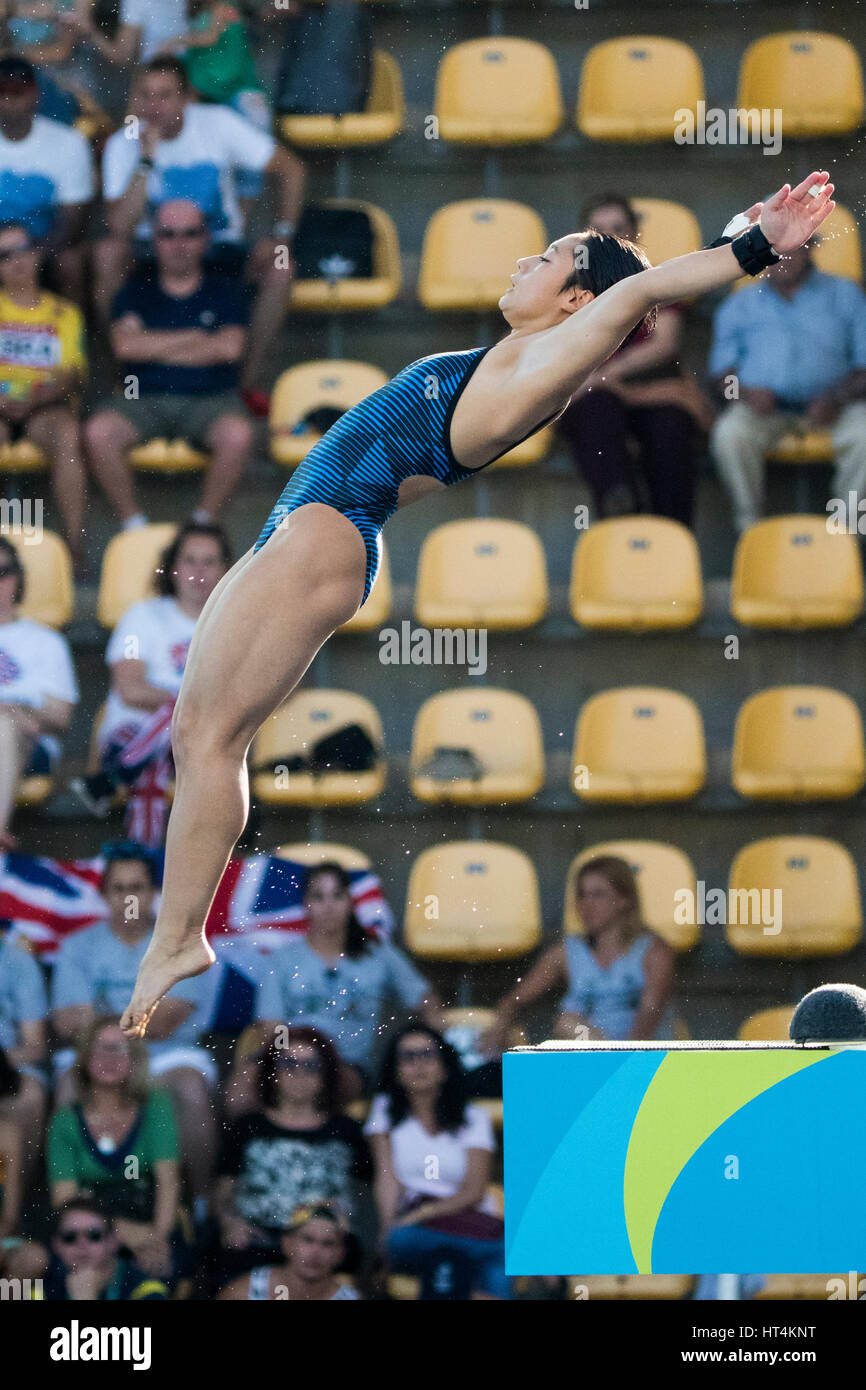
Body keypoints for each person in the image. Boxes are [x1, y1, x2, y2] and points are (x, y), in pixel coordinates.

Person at [119, 170, 837, 1038]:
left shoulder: (561, 352)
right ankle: (177, 931)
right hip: (305, 527)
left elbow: (641, 289)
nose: (525, 260)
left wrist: (755, 249)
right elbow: (638, 285)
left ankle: (179, 936)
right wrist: (738, 233)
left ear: (577, 298)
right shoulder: (532, 350)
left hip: (329, 530)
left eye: (551, 256)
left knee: (212, 738)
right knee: (200, 732)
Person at [95, 55, 305, 409]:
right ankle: (125, 379)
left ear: (186, 98)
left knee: (281, 267)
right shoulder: (124, 142)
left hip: (219, 248)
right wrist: (145, 160)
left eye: (164, 95)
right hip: (152, 252)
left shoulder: (217, 123)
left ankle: (244, 383)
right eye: (145, 95)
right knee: (106, 253)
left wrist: (282, 235)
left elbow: (291, 168)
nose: (153, 105)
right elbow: (119, 227)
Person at [51, 845, 222, 1212]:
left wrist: (99, 1019)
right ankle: (73, 1207)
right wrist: (128, 1021)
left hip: (167, 1056)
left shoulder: (180, 943)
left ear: (154, 892)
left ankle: (204, 1202)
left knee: (191, 1090)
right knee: (67, 1084)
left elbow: (165, 1022)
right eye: (118, 888)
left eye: (138, 887)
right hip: (96, 1053)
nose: (129, 897)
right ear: (104, 893)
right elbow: (66, 1022)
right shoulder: (78, 947)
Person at [85, 199, 254, 530]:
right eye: (168, 234)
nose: (179, 244)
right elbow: (125, 347)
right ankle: (133, 524)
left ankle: (203, 525)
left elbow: (230, 349)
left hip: (212, 401)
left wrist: (153, 343)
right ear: (154, 240)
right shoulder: (136, 290)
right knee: (97, 431)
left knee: (239, 434)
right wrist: (196, 336)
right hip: (139, 397)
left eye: (190, 234)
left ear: (206, 238)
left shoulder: (226, 290)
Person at [555, 193, 711, 526]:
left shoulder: (656, 280)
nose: (610, 238)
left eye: (619, 228)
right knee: (598, 408)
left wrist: (608, 374)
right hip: (589, 395)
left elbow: (664, 343)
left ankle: (673, 533)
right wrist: (600, 383)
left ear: (635, 234)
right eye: (599, 230)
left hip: (647, 388)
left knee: (671, 424)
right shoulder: (564, 290)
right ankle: (619, 516)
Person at [70, 522, 233, 837]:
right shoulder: (141, 617)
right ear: (172, 568)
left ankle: (117, 779)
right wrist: (191, 703)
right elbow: (131, 689)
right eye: (189, 560)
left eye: (209, 561)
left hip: (199, 745)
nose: (198, 571)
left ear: (224, 569)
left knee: (159, 754)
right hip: (132, 733)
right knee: (160, 754)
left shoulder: (233, 624)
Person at [709, 238, 866, 532]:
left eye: (791, 245)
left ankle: (847, 541)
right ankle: (751, 532)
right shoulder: (739, 303)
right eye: (770, 247)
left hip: (835, 408)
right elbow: (721, 378)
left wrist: (836, 397)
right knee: (729, 433)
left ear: (811, 246)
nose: (780, 256)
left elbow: (864, 366)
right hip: (763, 410)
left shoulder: (847, 294)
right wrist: (742, 393)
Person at [248, 861, 441, 1100]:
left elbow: (425, 1001)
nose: (328, 906)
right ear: (306, 905)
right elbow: (272, 1026)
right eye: (318, 897)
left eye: (337, 896)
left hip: (349, 1066)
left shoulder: (378, 954)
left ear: (351, 902)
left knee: (323, 1088)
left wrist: (441, 1053)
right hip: (290, 1062)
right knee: (240, 1093)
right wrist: (291, 1063)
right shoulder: (282, 960)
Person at [366, 1023, 508, 1300]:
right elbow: (386, 1178)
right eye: (408, 1057)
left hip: (467, 1221)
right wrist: (386, 1229)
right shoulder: (384, 1111)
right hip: (415, 1230)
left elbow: (473, 1191)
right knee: (402, 1240)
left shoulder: (473, 1117)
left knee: (486, 1266)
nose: (418, 1065)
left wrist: (425, 1213)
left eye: (427, 1055)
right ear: (395, 1069)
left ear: (444, 1066)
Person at [216, 1027, 371, 1278]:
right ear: (272, 1072)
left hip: (326, 1245)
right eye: (288, 1064)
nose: (299, 1073)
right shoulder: (248, 1127)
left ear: (326, 1075)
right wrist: (230, 1222)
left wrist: (343, 1218)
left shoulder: (347, 1130)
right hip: (258, 1240)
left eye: (311, 1066)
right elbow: (223, 1192)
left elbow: (365, 1197)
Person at [482, 855, 677, 1051]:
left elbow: (649, 1017)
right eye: (582, 895)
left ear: (624, 900)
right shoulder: (566, 953)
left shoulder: (654, 951)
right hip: (588, 1061)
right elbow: (514, 1001)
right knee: (568, 1024)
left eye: (598, 894)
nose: (586, 904)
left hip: (640, 1062)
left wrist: (626, 1068)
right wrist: (498, 1030)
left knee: (569, 1024)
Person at [46, 1020, 181, 1279]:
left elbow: (169, 1181)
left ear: (135, 1059)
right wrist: (119, 1232)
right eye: (100, 1049)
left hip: (149, 1221)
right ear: (84, 1058)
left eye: (119, 1049)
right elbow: (64, 1201)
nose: (110, 1058)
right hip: (88, 1230)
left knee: (155, 1268)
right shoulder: (65, 1121)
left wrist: (157, 1242)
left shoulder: (156, 1105)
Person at [0, 220, 88, 574]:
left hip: (44, 409)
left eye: (21, 250)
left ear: (37, 254)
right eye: (4, 256)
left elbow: (69, 377)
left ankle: (73, 548)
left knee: (68, 436)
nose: (15, 261)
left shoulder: (65, 313)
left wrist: (32, 400)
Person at [0, 536, 79, 850]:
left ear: (18, 578)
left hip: (30, 748)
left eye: (3, 572)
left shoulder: (47, 642)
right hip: (20, 725)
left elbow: (60, 717)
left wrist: (13, 711)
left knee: (4, 727)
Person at [0, 56, 93, 303]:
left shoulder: (69, 142)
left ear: (35, 94)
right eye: (2, 91)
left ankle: (74, 338)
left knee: (70, 262)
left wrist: (34, 254)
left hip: (46, 246)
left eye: (18, 91)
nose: (8, 99)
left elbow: (73, 219)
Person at [23, 1196, 172, 1300]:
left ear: (113, 1241)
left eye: (94, 1235)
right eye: (70, 1237)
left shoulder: (146, 1290)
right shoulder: (43, 1290)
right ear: (56, 1245)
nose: (82, 1244)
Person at [156, 1, 269, 133]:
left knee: (256, 138)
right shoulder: (201, 10)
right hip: (209, 93)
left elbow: (210, 37)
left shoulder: (225, 6)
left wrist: (173, 41)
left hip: (238, 90)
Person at [217, 1202, 361, 1300]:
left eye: (327, 1243)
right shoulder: (245, 1293)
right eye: (308, 1239)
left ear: (341, 1253)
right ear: (287, 1244)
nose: (316, 1252)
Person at [0, 929, 47, 1186]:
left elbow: (35, 1046)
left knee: (30, 1096)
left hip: (8, 1063)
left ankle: (12, 1199)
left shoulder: (18, 961)